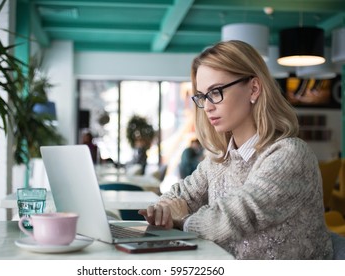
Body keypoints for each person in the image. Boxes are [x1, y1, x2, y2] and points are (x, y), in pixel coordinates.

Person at [139, 40, 333, 260]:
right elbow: (179, 195)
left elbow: (233, 217)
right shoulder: (219, 161)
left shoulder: (290, 155)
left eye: (216, 91)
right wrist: (163, 210)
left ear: (254, 88)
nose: (208, 106)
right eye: (202, 96)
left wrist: (183, 219)